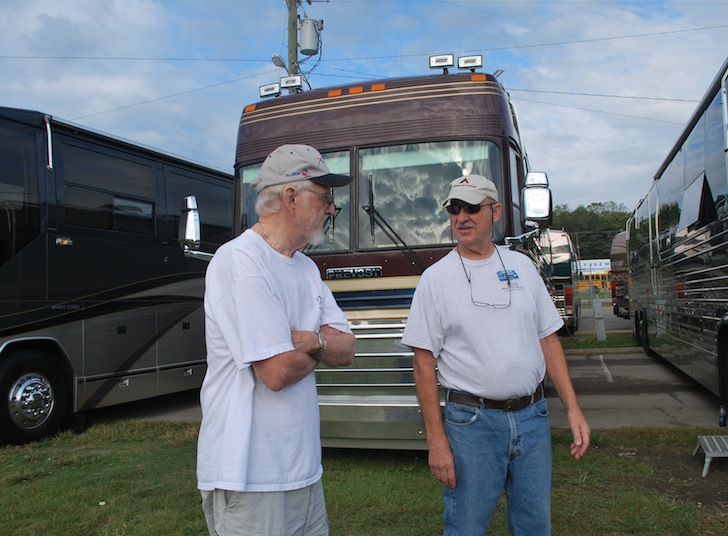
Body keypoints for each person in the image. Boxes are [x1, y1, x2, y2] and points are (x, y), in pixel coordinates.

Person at [401, 174, 591, 536]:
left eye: (472, 207)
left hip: (532, 418)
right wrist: (437, 440)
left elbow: (549, 340)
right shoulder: (435, 280)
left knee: (535, 524)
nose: (462, 217)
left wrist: (572, 407)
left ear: (496, 212)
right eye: (454, 209)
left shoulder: (522, 267)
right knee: (466, 526)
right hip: (471, 424)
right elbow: (424, 363)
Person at [197, 144, 356, 536]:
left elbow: (348, 349)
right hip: (251, 477)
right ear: (290, 198)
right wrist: (321, 344)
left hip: (302, 472)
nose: (332, 208)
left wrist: (308, 342)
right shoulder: (239, 261)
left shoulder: (306, 268)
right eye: (325, 197)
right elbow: (276, 371)